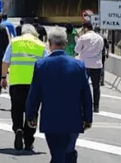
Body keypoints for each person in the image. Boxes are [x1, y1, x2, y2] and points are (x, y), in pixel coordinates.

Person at [26, 27, 93, 163]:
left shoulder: (41, 65)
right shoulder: (78, 65)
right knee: (68, 150)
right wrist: (88, 117)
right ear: (66, 43)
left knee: (57, 154)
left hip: (51, 119)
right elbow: (86, 94)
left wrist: (31, 115)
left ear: (49, 43)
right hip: (73, 119)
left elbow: (34, 93)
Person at [1, 24, 48, 151]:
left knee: (16, 108)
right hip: (35, 84)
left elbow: (5, 61)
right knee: (32, 111)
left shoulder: (14, 42)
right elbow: (47, 65)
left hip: (16, 82)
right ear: (34, 33)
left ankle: (18, 128)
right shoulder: (41, 45)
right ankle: (28, 140)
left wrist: (3, 77)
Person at [75, 21, 104, 113]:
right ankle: (96, 107)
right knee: (96, 87)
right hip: (97, 65)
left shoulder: (83, 38)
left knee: (83, 86)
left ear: (85, 28)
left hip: (85, 64)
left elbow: (76, 49)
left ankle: (84, 105)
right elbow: (101, 49)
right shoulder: (100, 38)